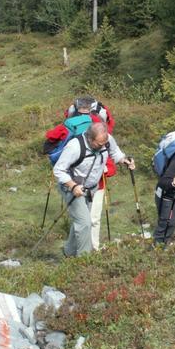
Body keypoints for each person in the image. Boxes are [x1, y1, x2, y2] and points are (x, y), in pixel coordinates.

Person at [53, 122, 134, 257]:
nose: (103, 146)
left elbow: (115, 152)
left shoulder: (106, 140)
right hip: (72, 188)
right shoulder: (75, 147)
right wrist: (73, 186)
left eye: (104, 143)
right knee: (85, 223)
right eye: (99, 144)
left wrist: (124, 160)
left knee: (82, 222)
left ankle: (69, 251)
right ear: (90, 138)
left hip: (91, 189)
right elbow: (58, 170)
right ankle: (85, 260)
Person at [45, 96, 116, 249]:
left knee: (85, 221)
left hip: (90, 182)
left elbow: (50, 137)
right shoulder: (102, 127)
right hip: (90, 182)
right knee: (88, 220)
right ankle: (88, 254)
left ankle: (75, 252)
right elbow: (110, 160)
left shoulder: (69, 125)